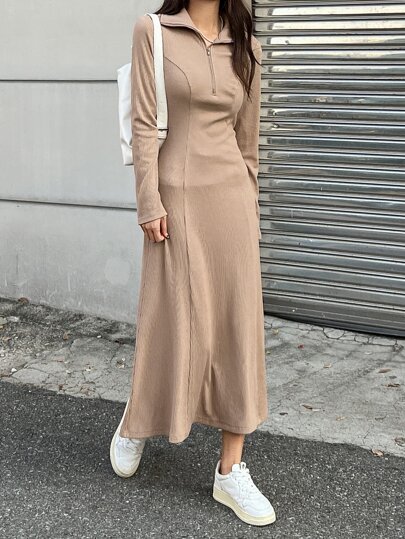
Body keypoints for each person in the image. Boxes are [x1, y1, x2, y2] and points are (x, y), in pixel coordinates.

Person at [110, 0, 276, 526]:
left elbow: (247, 141)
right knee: (169, 318)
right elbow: (143, 123)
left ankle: (230, 470)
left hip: (231, 203)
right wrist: (148, 201)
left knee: (235, 327)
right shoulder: (153, 31)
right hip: (175, 201)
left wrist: (249, 206)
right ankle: (138, 419)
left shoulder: (247, 44)